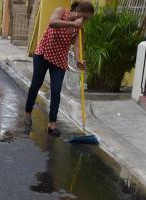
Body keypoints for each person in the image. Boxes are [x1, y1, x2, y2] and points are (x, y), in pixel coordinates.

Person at [23, 1, 94, 136]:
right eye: (84, 18)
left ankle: (52, 123)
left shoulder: (79, 29)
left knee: (56, 91)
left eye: (87, 20)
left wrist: (79, 60)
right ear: (77, 11)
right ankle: (27, 112)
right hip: (43, 54)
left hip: (59, 59)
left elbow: (78, 47)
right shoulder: (61, 11)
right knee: (36, 84)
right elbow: (52, 22)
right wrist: (73, 23)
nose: (84, 21)